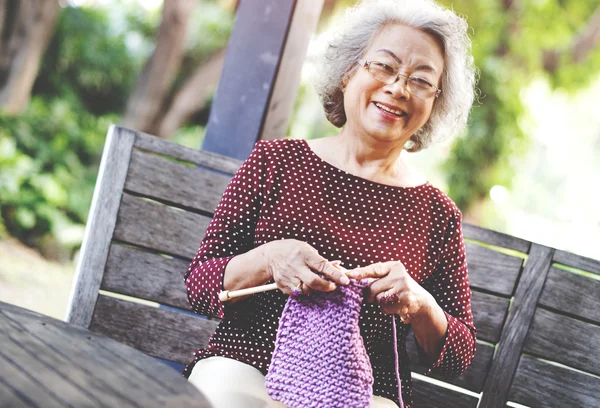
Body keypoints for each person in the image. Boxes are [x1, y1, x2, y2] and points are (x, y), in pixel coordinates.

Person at [183, 0, 477, 406]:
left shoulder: (437, 215)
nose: (398, 88)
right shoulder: (275, 162)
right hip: (248, 366)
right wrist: (270, 258)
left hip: (359, 392)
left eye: (422, 80)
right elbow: (199, 285)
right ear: (347, 73)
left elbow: (457, 357)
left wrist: (419, 302)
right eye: (384, 66)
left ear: (435, 103)